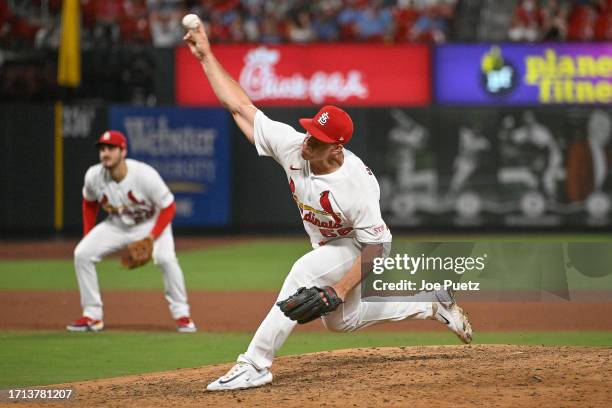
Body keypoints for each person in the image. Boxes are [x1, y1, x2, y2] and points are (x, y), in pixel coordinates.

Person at [182, 18, 472, 391]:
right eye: (309, 131)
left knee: (303, 274)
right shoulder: (293, 144)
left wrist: (337, 289)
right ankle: (433, 303)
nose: (307, 141)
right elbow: (239, 106)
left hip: (356, 246)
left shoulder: (356, 185)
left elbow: (378, 247)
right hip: (329, 243)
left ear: (336, 147)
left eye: (317, 139)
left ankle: (255, 363)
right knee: (340, 322)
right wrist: (206, 55)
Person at [66, 130, 197, 333]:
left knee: (166, 259)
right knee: (82, 253)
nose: (105, 153)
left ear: (123, 151)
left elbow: (169, 207)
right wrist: (88, 235)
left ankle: (182, 315)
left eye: (111, 148)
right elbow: (89, 203)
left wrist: (151, 237)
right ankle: (92, 315)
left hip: (149, 224)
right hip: (116, 225)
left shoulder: (144, 175)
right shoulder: (93, 175)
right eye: (102, 149)